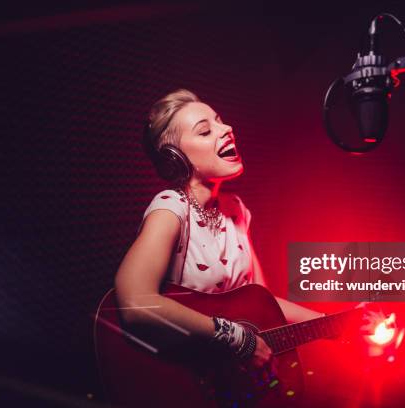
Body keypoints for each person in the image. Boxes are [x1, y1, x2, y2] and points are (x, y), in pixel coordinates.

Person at [114, 89, 324, 371]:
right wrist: (234, 337)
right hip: (184, 377)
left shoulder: (236, 209)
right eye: (204, 131)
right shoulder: (170, 208)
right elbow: (134, 302)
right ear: (175, 156)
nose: (227, 129)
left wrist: (331, 323)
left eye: (220, 121)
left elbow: (263, 302)